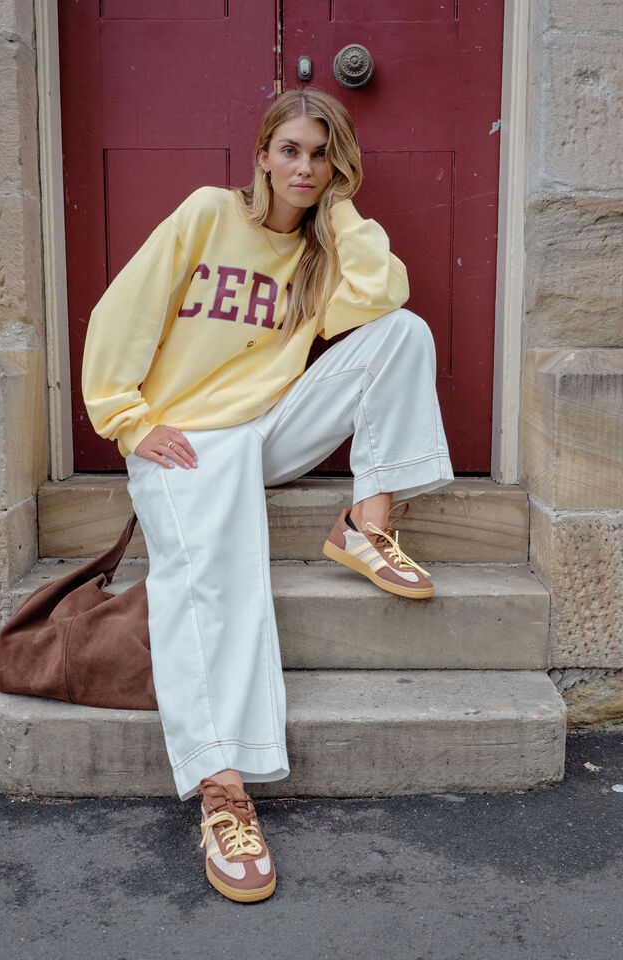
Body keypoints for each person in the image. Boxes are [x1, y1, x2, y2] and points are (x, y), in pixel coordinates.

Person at [81, 88, 453, 904]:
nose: (305, 168)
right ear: (261, 155)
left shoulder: (321, 258)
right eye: (290, 150)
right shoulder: (209, 215)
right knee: (212, 579)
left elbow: (382, 295)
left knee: (404, 334)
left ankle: (367, 521)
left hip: (265, 431)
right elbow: (122, 312)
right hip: (185, 435)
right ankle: (223, 791)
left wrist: (343, 212)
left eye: (322, 155)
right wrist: (128, 421)